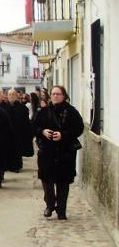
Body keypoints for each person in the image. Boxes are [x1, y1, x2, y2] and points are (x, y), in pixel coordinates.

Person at [33, 85, 83, 220]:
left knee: (63, 182)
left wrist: (63, 135)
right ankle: (49, 205)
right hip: (47, 151)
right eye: (53, 94)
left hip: (65, 152)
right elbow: (34, 126)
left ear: (64, 96)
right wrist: (42, 131)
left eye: (58, 94)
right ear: (50, 96)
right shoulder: (43, 111)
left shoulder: (72, 112)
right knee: (47, 180)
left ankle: (61, 209)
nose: (55, 96)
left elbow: (79, 128)